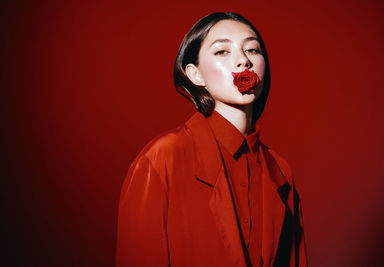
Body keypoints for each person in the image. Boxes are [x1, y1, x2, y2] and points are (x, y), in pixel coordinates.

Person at [116, 12, 308, 267]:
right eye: (222, 52)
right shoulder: (163, 158)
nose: (243, 61)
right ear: (196, 75)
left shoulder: (280, 172)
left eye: (252, 50)